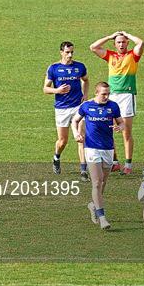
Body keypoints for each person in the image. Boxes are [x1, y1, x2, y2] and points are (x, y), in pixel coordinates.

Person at [89, 31, 144, 175]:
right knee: (110, 130)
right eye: (118, 42)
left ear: (127, 43)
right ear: (114, 45)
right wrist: (109, 36)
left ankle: (128, 164)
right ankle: (115, 162)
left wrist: (127, 34)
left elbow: (141, 43)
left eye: (124, 42)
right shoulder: (110, 56)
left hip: (127, 95)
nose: (121, 44)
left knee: (126, 131)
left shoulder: (133, 55)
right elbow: (93, 47)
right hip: (111, 96)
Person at [72, 82, 124, 230]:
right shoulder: (86, 106)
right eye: (103, 94)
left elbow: (121, 123)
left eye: (108, 93)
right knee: (96, 182)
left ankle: (93, 205)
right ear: (96, 93)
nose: (106, 96)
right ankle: (102, 217)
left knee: (103, 183)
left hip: (108, 149)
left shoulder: (113, 106)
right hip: (91, 149)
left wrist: (119, 127)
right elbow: (74, 121)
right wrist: (76, 133)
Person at [44, 41, 90, 181]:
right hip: (62, 108)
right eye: (67, 52)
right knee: (63, 141)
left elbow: (86, 80)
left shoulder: (79, 67)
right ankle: (56, 157)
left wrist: (85, 94)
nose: (70, 55)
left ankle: (83, 170)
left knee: (81, 137)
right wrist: (57, 90)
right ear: (61, 52)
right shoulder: (53, 68)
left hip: (77, 107)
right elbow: (45, 88)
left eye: (72, 52)